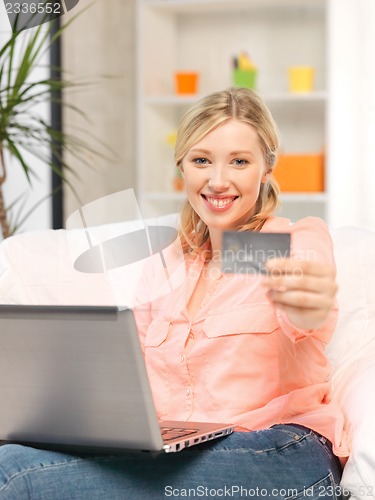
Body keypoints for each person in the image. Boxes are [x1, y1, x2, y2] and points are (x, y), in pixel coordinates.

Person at [0, 87, 349, 499]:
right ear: (182, 166)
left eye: (239, 161)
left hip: (284, 451)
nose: (218, 180)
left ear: (267, 169)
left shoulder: (293, 239)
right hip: (186, 451)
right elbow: (138, 383)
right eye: (202, 160)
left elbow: (307, 302)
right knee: (15, 456)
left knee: (19, 474)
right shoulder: (168, 264)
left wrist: (307, 300)